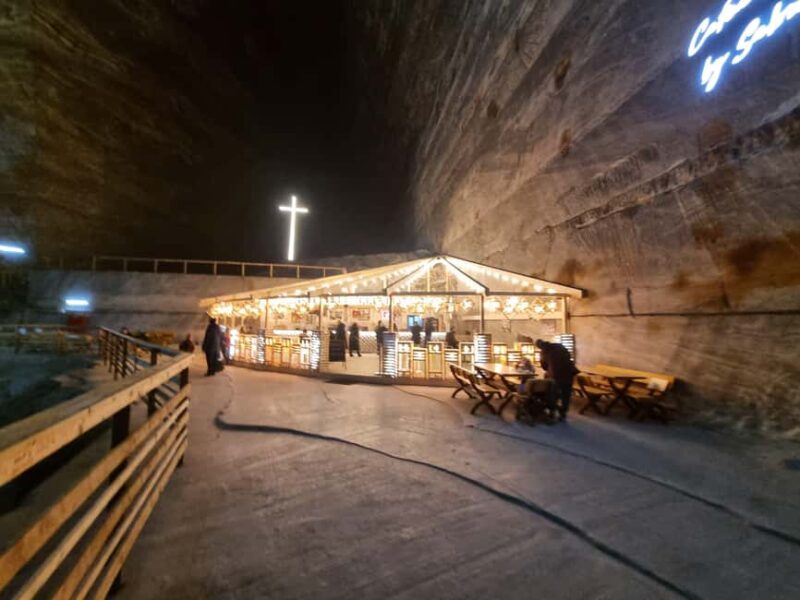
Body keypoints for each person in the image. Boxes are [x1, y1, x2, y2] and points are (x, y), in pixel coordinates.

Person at [536, 339, 578, 421]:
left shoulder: (543, 352)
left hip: (556, 376)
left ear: (539, 347)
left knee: (553, 395)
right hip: (568, 373)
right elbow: (569, 356)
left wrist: (549, 370)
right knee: (566, 395)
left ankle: (552, 413)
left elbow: (544, 366)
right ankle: (563, 413)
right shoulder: (559, 346)